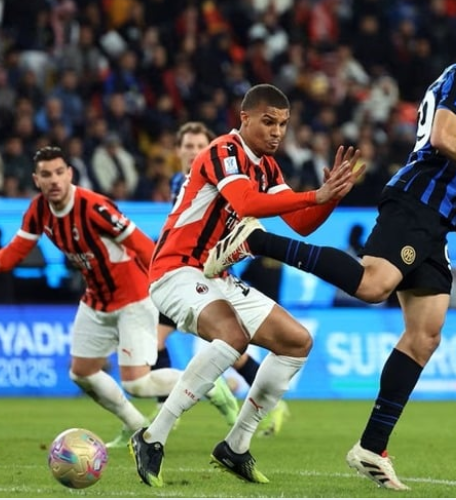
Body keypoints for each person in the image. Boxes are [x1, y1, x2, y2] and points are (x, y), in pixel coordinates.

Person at [203, 9, 456, 490]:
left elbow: (439, 160)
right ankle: (254, 239)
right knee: (373, 286)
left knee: (425, 335)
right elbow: (442, 139)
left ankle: (372, 447)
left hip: (434, 218)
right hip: (413, 206)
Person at [129, 83, 363, 487]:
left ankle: (235, 446)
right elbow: (247, 204)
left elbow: (302, 224)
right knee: (232, 336)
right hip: (176, 270)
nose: (277, 132)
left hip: (216, 275)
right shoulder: (223, 151)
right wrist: (314, 194)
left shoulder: (267, 167)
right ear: (245, 118)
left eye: (283, 124)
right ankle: (152, 437)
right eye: (269, 122)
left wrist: (332, 197)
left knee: (296, 342)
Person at [0, 146, 239, 449]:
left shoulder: (94, 208)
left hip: (133, 298)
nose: (54, 180)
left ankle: (209, 385)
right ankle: (136, 426)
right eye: (46, 175)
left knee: (137, 384)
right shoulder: (38, 210)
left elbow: (141, 244)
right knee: (81, 373)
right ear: (36, 180)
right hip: (95, 301)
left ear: (70, 174)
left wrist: (168, 280)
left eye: (59, 172)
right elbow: (20, 245)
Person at [154, 121, 290, 435]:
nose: (193, 151)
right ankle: (178, 407)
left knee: (229, 346)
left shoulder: (227, 175)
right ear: (178, 151)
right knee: (165, 340)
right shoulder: (178, 182)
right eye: (187, 146)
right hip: (182, 271)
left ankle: (251, 402)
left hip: (209, 271)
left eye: (199, 145)